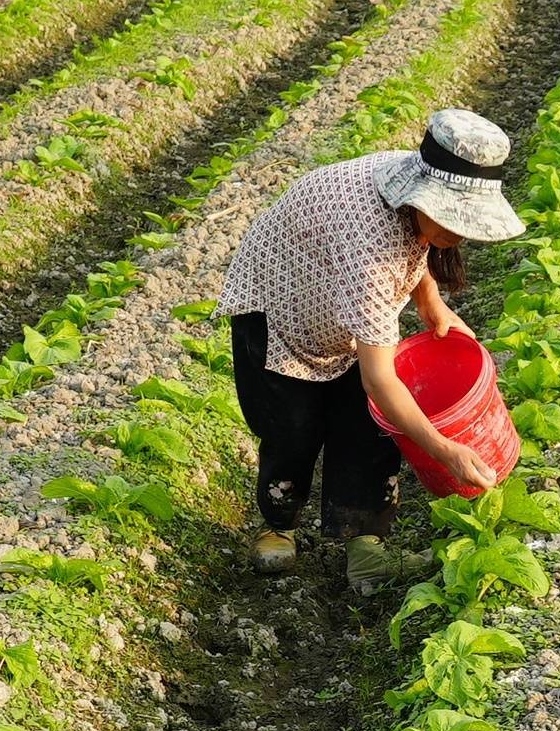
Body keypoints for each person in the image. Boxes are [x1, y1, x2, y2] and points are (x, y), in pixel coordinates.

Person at [218, 107, 523, 580]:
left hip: (336, 295)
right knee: (292, 430)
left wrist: (431, 303)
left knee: (367, 425)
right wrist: (444, 449)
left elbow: (415, 245)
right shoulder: (371, 249)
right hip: (280, 304)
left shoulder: (412, 179)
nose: (457, 233)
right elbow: (380, 378)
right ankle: (279, 526)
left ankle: (366, 548)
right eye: (449, 217)